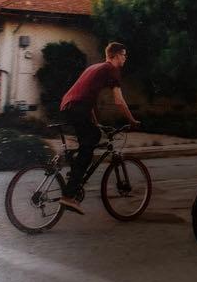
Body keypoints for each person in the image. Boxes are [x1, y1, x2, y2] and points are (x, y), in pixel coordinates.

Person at [58, 42, 138, 214]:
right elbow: (119, 101)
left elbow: (88, 100)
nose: (125, 58)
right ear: (115, 55)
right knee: (92, 140)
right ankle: (69, 195)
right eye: (124, 54)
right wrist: (132, 120)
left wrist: (97, 123)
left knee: (91, 136)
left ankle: (75, 174)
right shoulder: (111, 69)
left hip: (69, 105)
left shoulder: (95, 67)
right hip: (77, 107)